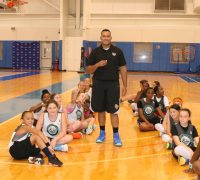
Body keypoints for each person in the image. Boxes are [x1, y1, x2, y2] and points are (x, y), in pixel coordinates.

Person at [86, 29, 127, 147]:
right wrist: (97, 65)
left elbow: (123, 68)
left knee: (114, 111)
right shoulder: (95, 52)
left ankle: (116, 135)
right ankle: (102, 133)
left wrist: (125, 85)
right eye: (103, 36)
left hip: (113, 84)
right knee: (100, 110)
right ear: (100, 38)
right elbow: (88, 70)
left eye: (108, 36)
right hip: (98, 84)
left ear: (111, 38)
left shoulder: (117, 51)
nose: (106, 38)